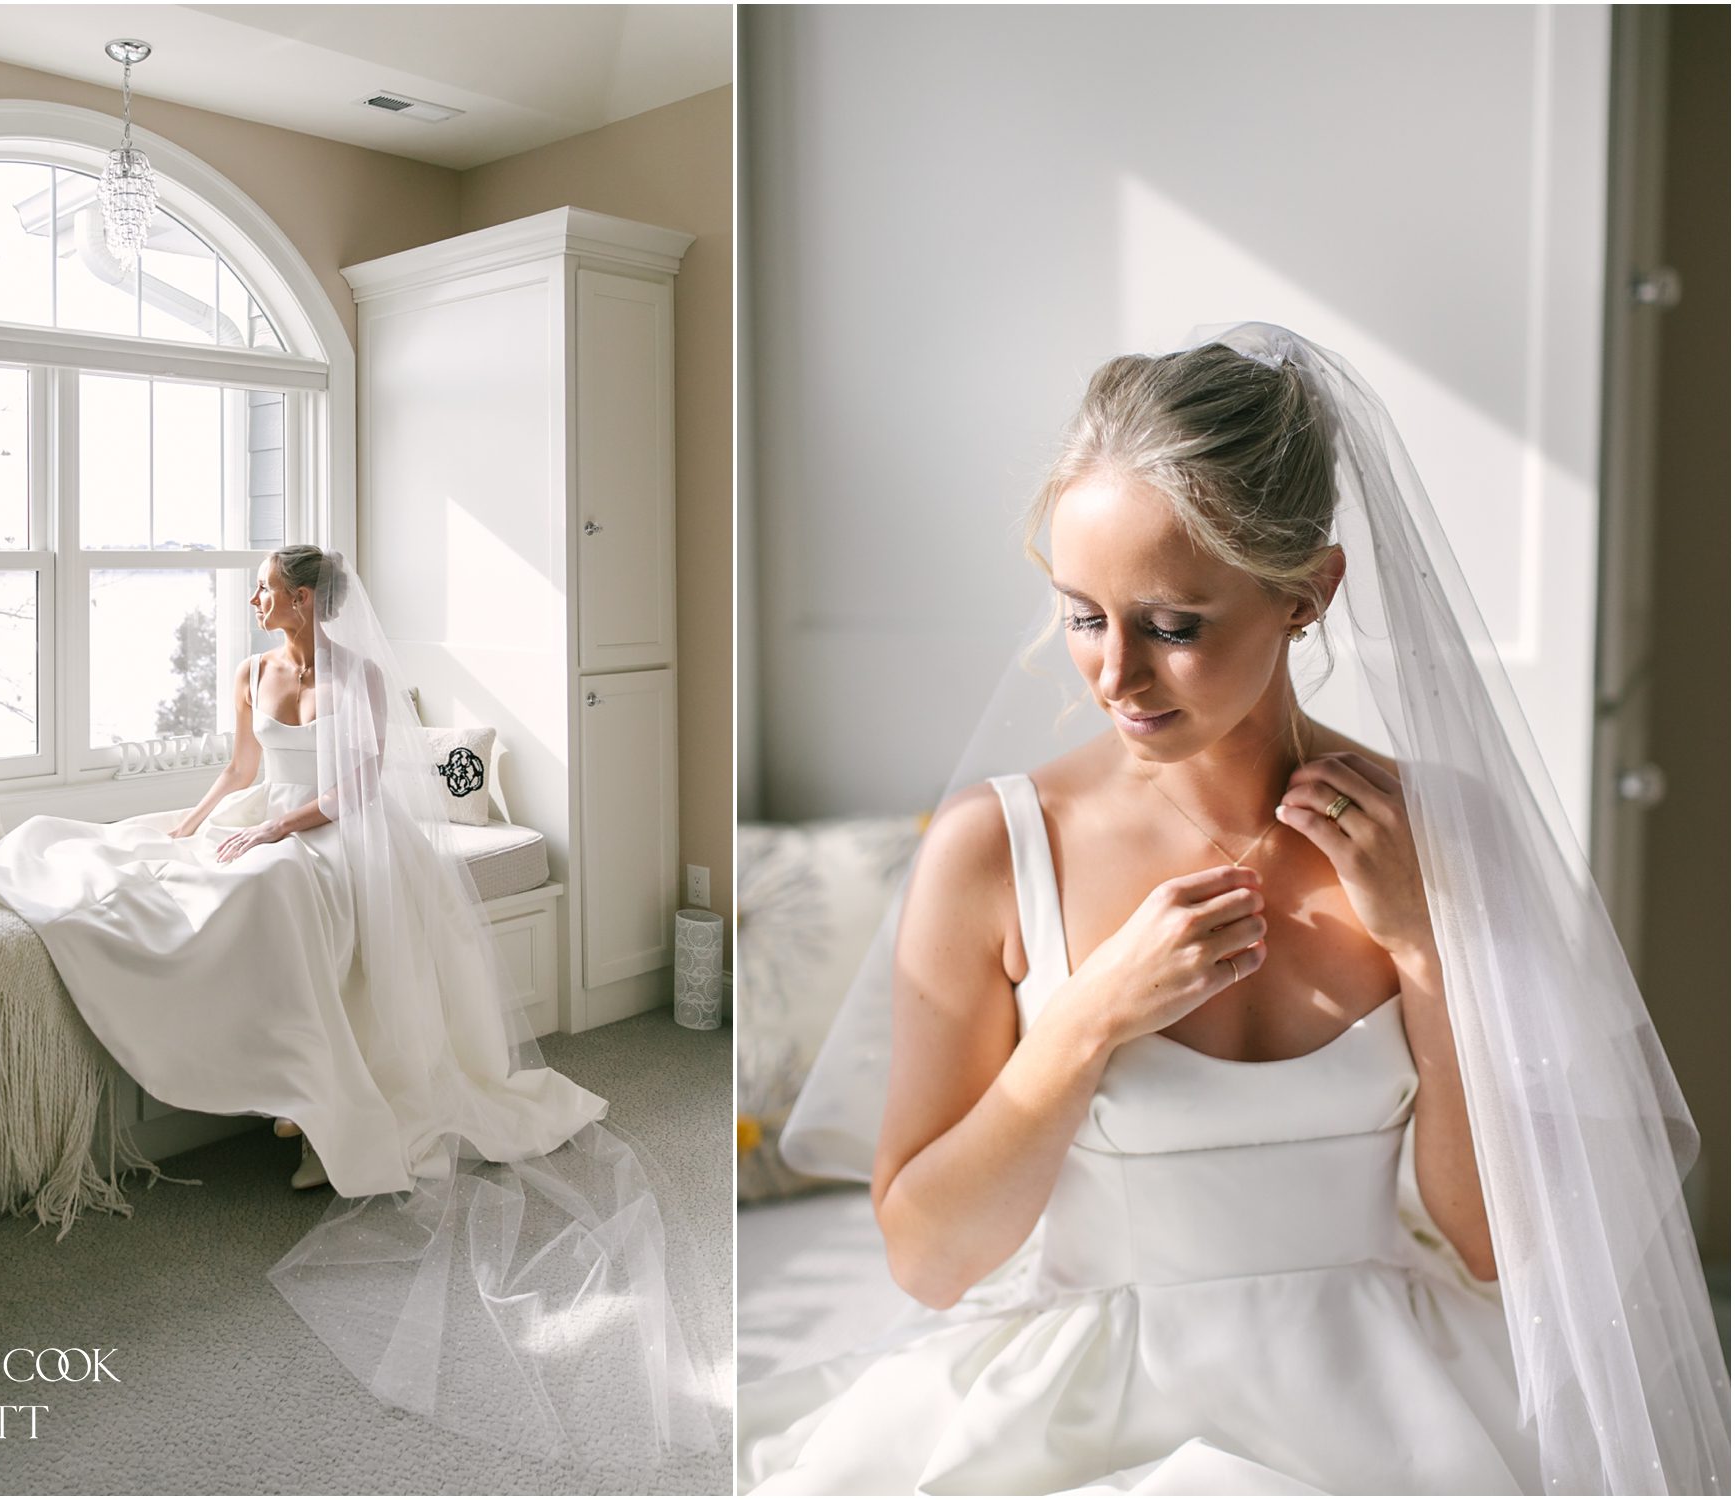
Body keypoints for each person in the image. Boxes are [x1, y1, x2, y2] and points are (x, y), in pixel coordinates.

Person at [739, 326, 1727, 1495]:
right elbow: (928, 1261)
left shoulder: (1436, 835)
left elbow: (1484, 1246)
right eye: (1079, 614)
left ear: (1305, 594)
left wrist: (1421, 948)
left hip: (1391, 1402)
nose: (1113, 675)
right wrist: (1085, 1020)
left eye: (1170, 626)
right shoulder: (990, 856)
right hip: (1084, 1407)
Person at [0, 545, 722, 1483]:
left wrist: (279, 830)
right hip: (267, 811)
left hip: (335, 832)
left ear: (301, 598)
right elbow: (242, 763)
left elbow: (362, 786)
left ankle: (308, 1098)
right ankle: (277, 1074)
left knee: (276, 888)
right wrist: (197, 820)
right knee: (186, 877)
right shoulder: (251, 670)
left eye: (263, 587)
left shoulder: (356, 676)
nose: (249, 598)